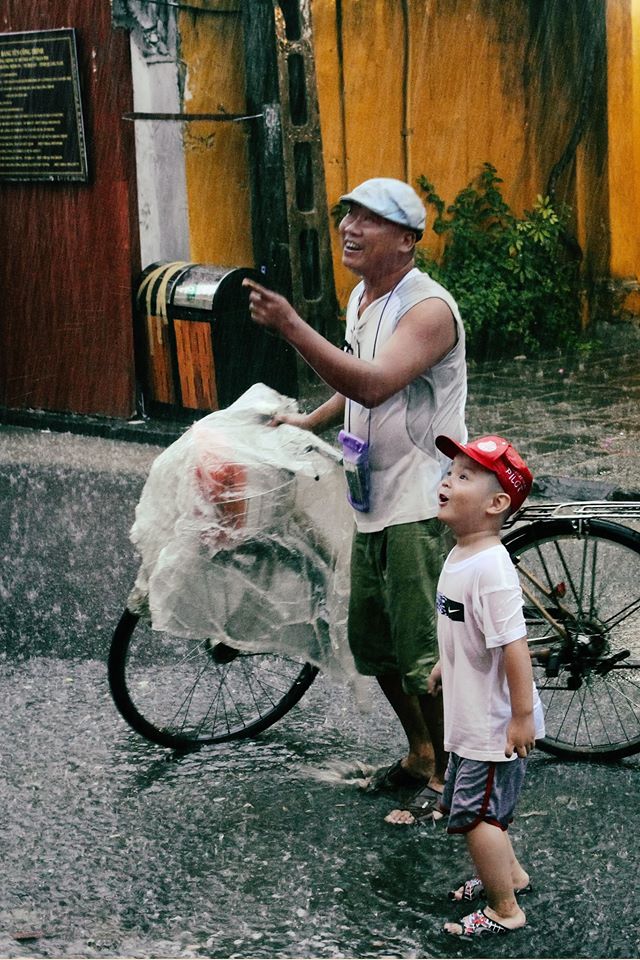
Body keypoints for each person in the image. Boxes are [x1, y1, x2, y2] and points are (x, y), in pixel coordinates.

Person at [243, 178, 467, 799]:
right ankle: (422, 754)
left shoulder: (428, 310)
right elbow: (354, 375)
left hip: (423, 499)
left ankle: (457, 779)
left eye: (368, 219)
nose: (349, 227)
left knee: (426, 658)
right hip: (372, 497)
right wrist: (309, 420)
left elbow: (374, 384)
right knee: (377, 645)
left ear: (407, 239)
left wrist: (291, 327)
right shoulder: (363, 300)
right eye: (347, 215)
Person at [387, 434, 544, 938]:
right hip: (470, 716)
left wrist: (520, 718)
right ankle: (511, 876)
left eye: (464, 476)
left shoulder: (491, 569)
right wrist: (443, 666)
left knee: (477, 820)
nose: (447, 481)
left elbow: (514, 648)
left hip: (493, 727)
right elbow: (463, 630)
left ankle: (505, 909)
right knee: (475, 812)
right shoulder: (460, 554)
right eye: (449, 471)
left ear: (497, 503)